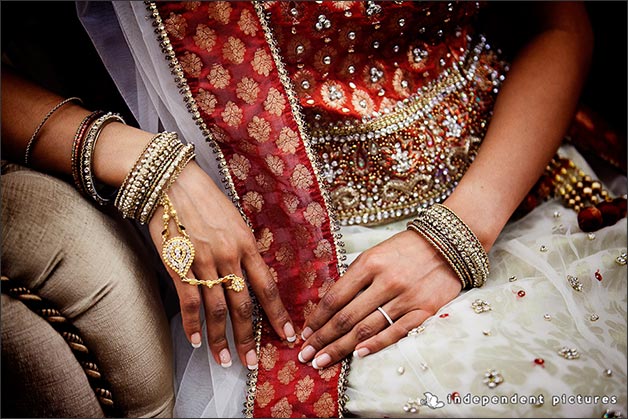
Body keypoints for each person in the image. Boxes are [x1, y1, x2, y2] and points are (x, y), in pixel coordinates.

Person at [2, 1, 625, 418]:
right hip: (310, 253)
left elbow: (563, 25)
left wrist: (458, 233)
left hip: (516, 191)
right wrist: (148, 163)